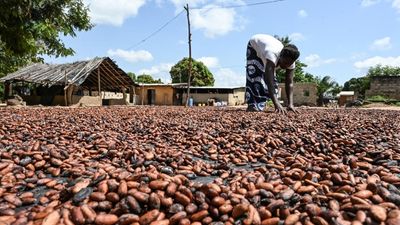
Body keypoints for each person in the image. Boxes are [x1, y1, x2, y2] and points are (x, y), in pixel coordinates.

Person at [245, 34, 300, 114]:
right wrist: (277, 104)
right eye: (285, 62)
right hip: (254, 46)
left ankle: (262, 104)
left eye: (289, 64)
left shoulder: (291, 61)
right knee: (254, 74)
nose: (286, 66)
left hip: (267, 50)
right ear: (280, 56)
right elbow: (268, 79)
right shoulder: (272, 53)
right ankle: (252, 105)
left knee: (274, 84)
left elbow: (289, 82)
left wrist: (290, 104)